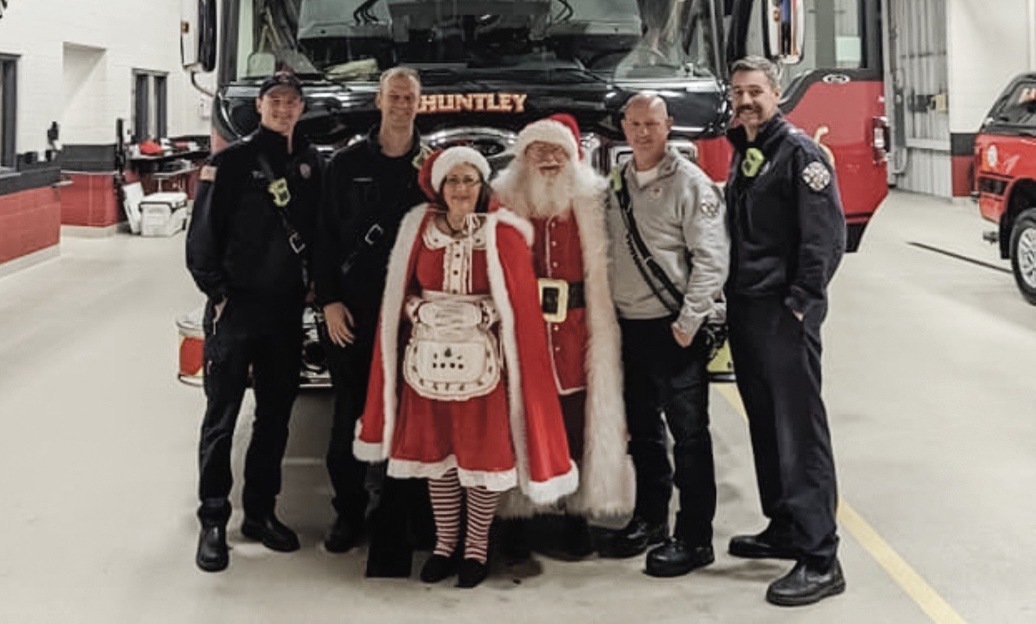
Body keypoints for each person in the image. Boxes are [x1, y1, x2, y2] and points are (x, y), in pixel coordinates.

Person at [354, 146, 579, 588]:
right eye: (453, 181)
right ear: (440, 186)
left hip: (484, 367)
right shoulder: (416, 228)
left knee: (480, 455)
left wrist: (484, 315)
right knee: (436, 456)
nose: (461, 189)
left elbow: (518, 301)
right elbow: (399, 292)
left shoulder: (503, 233)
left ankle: (475, 548)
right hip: (425, 363)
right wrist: (419, 310)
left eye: (469, 181)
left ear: (481, 187)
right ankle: (444, 544)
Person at [186, 71, 322, 572]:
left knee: (274, 420)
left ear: (301, 109)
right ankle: (214, 521)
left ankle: (261, 513)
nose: (283, 109)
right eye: (275, 101)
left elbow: (318, 230)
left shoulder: (311, 163)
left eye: (292, 102)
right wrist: (217, 295)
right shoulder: (230, 161)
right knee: (221, 421)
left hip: (285, 313)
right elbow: (201, 238)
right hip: (235, 310)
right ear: (260, 106)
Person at [724, 55, 846, 606]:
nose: (745, 101)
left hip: (783, 313)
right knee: (766, 428)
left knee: (800, 434)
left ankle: (821, 557)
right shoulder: (748, 151)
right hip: (748, 310)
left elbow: (825, 240)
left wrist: (799, 305)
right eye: (738, 92)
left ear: (777, 93)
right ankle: (785, 525)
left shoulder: (800, 154)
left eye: (755, 91)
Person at [599, 92, 730, 578]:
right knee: (645, 433)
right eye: (634, 124)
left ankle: (695, 538)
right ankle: (650, 519)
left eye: (652, 123)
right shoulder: (617, 185)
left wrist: (689, 322)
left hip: (674, 330)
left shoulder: (691, 184)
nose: (643, 132)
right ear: (624, 127)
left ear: (668, 124)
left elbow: (713, 259)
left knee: (690, 436)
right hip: (628, 330)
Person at [492, 114, 634, 558]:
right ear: (524, 156)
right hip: (523, 330)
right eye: (539, 150)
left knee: (575, 422)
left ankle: (575, 514)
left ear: (573, 157)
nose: (549, 160)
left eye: (557, 151)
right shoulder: (502, 202)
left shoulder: (595, 201)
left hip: (577, 329)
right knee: (521, 420)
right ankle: (516, 515)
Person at [313, 66, 431, 566]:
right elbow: (323, 236)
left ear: (418, 104)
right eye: (394, 96)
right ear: (379, 102)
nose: (402, 104)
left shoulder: (434, 166)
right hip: (354, 312)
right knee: (350, 418)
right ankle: (349, 509)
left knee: (418, 416)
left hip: (415, 314)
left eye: (410, 97)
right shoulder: (344, 165)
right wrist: (328, 301)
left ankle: (412, 511)